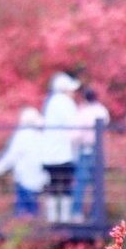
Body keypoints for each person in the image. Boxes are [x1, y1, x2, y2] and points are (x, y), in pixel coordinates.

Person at [0, 107, 48, 218]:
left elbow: (11, 156)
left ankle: (22, 229)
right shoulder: (41, 135)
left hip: (24, 178)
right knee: (34, 210)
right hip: (39, 178)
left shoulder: (22, 135)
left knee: (22, 211)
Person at [40, 73, 81, 225]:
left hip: (50, 153)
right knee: (65, 185)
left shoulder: (50, 102)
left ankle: (52, 218)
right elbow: (74, 126)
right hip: (63, 153)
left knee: (53, 184)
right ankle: (64, 218)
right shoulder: (65, 102)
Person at [71, 85, 111, 222]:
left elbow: (76, 135)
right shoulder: (102, 110)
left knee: (81, 182)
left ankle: (77, 212)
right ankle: (96, 214)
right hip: (98, 150)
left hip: (85, 149)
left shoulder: (83, 112)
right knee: (97, 183)